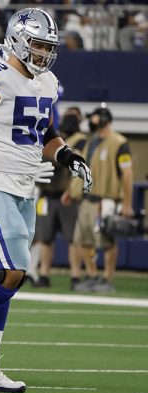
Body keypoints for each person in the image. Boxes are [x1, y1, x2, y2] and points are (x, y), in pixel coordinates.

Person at [0, 7, 92, 393]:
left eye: (49, 46)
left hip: (26, 185)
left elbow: (43, 131)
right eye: (38, 45)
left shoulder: (47, 83)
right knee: (13, 268)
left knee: (6, 273)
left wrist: (65, 154)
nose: (44, 53)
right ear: (16, 39)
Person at [71, 105, 132, 293]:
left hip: (106, 199)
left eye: (95, 118)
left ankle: (107, 277)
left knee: (106, 241)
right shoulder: (92, 141)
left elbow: (127, 174)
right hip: (88, 198)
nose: (91, 121)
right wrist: (71, 190)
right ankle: (92, 275)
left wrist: (127, 204)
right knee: (83, 240)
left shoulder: (119, 142)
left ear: (104, 118)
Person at [30, 107, 86, 288]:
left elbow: (79, 169)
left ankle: (76, 275)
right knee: (45, 237)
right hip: (47, 193)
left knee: (72, 238)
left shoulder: (81, 141)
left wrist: (72, 191)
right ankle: (44, 273)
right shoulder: (54, 137)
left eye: (73, 117)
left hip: (66, 195)